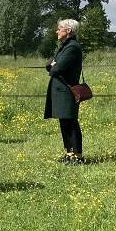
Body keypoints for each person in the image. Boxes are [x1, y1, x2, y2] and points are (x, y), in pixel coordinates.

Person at [44, 19, 84, 165]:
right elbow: (49, 64)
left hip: (67, 90)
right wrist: (52, 65)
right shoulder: (64, 46)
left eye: (59, 28)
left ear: (68, 31)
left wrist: (53, 65)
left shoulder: (72, 47)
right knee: (64, 122)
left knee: (71, 122)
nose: (57, 31)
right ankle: (69, 153)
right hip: (61, 90)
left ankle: (78, 156)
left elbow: (56, 69)